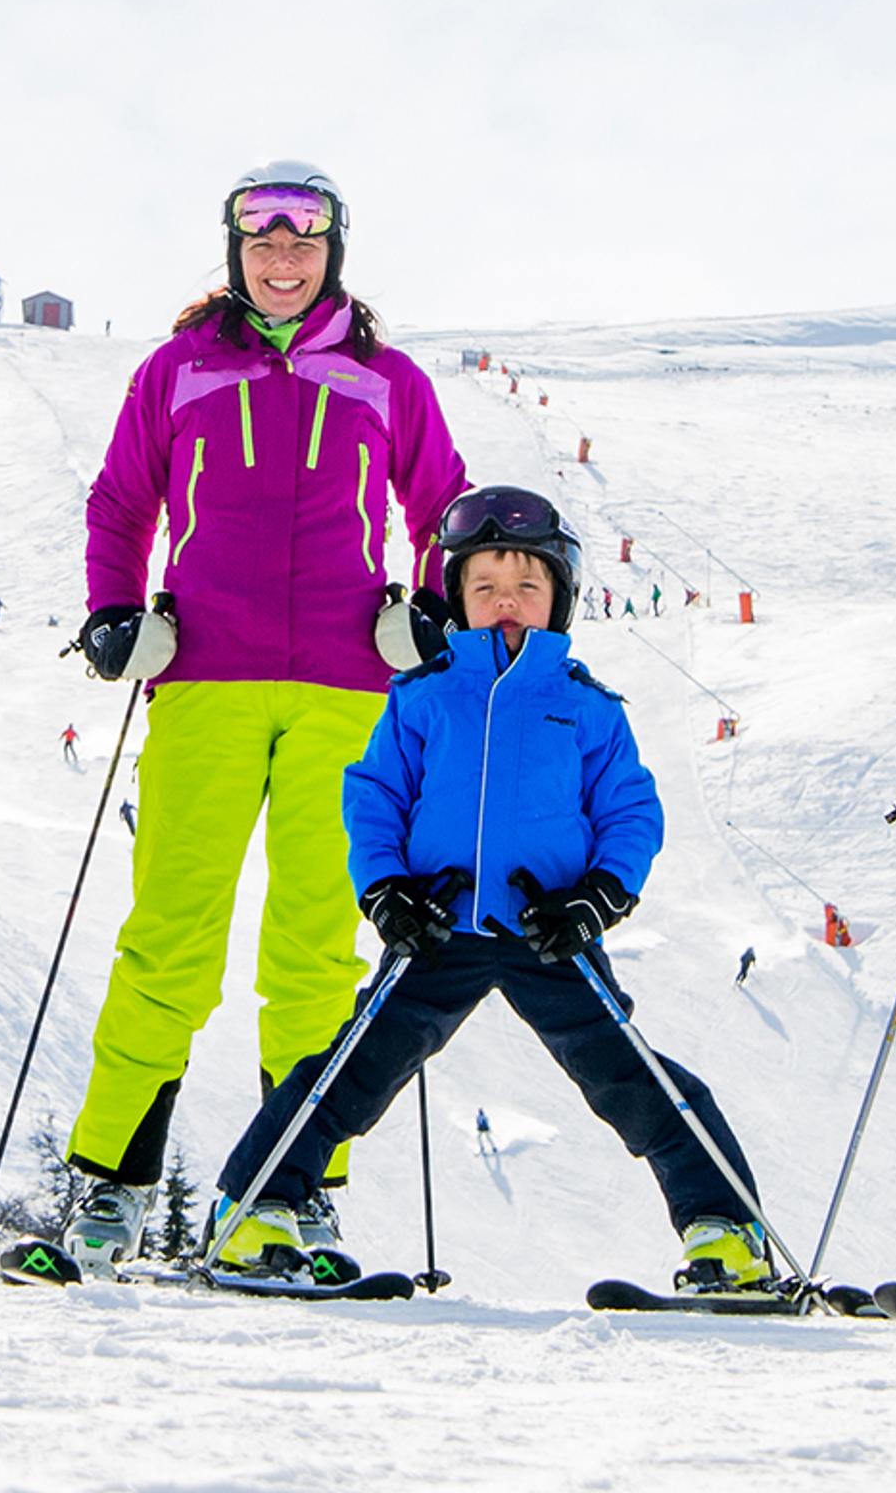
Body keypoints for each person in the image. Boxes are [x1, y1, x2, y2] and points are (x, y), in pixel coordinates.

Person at [19, 161, 469, 1283]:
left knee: (314, 949)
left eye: (304, 242)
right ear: (234, 253)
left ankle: (292, 1190)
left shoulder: (387, 380)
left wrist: (429, 613)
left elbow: (443, 506)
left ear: (333, 254)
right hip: (206, 682)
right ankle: (110, 1192)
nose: (282, 259)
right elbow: (124, 500)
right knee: (171, 935)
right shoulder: (178, 370)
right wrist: (117, 613)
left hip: (348, 693)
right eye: (262, 241)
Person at [204, 485, 774, 1293]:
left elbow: (630, 811)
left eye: (527, 588)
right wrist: (386, 892)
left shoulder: (585, 709)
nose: (506, 603)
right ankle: (255, 1209)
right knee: (348, 1074)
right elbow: (373, 797)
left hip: (551, 933)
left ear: (560, 598)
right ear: (457, 599)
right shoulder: (423, 698)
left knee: (631, 1079)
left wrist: (598, 897)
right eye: (485, 588)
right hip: (436, 930)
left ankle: (725, 1232)